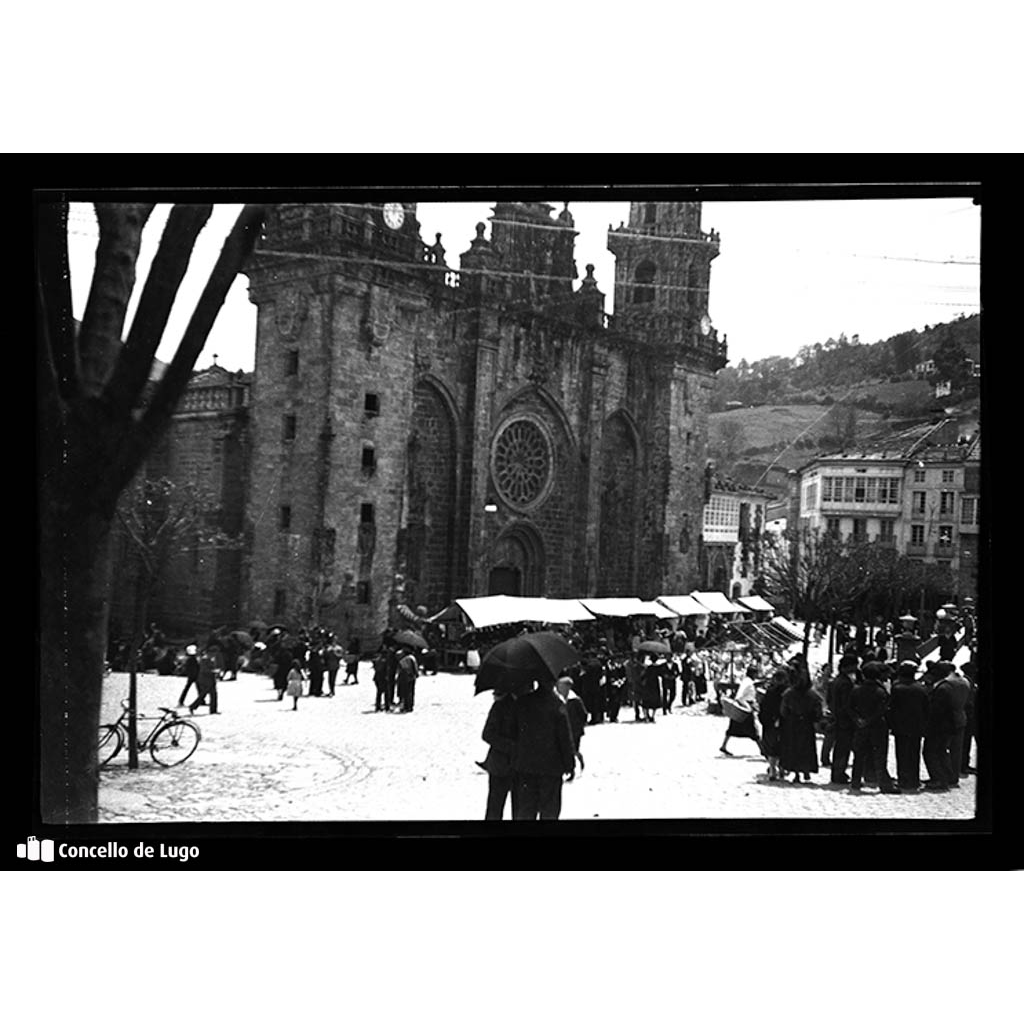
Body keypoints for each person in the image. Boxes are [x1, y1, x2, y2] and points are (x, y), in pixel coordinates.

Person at [512, 678, 577, 820]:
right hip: (551, 768)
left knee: (526, 809)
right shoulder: (557, 705)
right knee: (549, 810)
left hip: (526, 766)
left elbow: (513, 732)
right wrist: (570, 764)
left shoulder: (523, 703)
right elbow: (564, 738)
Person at [848, 661, 898, 793]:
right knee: (880, 756)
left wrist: (858, 720)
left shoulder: (856, 690)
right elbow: (883, 710)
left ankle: (855, 782)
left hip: (861, 727)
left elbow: (850, 707)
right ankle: (884, 784)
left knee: (859, 756)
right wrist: (869, 720)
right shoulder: (881, 691)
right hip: (877, 727)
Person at [887, 661, 930, 791]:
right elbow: (926, 708)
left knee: (901, 753)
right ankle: (913, 779)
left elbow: (892, 707)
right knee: (914, 753)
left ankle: (903, 778)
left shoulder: (896, 687)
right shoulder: (921, 688)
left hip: (900, 726)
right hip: (916, 727)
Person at [479, 691, 519, 820]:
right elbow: (487, 734)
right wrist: (511, 746)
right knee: (494, 810)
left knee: (520, 812)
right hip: (500, 766)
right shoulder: (500, 706)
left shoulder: (530, 706)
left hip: (522, 767)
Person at [779, 667, 822, 783]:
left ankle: (797, 773)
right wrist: (815, 719)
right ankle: (806, 770)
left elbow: (783, 711)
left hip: (793, 724)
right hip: (807, 724)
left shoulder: (788, 694)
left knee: (794, 748)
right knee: (807, 748)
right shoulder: (813, 694)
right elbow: (818, 710)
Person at [828, 655, 859, 784]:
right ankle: (839, 774)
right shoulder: (846, 683)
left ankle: (837, 772)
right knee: (843, 748)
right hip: (845, 720)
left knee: (839, 747)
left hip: (837, 717)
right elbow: (847, 703)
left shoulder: (835, 681)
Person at [719, 667, 761, 756]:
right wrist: (747, 706)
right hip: (744, 708)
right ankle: (762, 749)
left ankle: (724, 745)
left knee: (733, 728)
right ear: (753, 674)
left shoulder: (747, 681)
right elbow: (739, 696)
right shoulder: (748, 683)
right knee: (752, 730)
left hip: (744, 706)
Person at [759, 666, 789, 781]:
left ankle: (772, 770)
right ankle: (781, 769)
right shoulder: (787, 691)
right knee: (783, 746)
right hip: (784, 723)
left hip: (771, 723)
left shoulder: (770, 692)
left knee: (772, 747)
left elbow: (764, 708)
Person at [555, 675, 588, 773]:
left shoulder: (575, 700)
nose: (559, 688)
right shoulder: (558, 699)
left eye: (561, 686)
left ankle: (577, 762)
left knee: (573, 750)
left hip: (575, 729)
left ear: (568, 687)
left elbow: (583, 714)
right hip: (563, 729)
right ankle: (571, 769)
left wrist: (579, 725)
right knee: (566, 750)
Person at [189, 649, 219, 715]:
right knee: (204, 695)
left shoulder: (210, 659)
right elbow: (204, 670)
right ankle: (193, 706)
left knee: (213, 695)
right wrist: (213, 671)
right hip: (206, 680)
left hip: (210, 680)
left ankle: (213, 710)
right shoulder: (205, 660)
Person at [639, 656, 663, 724]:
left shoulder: (648, 667)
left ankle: (646, 716)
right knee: (655, 700)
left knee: (646, 701)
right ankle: (652, 716)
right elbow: (661, 674)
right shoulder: (658, 667)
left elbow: (643, 676)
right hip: (655, 684)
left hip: (648, 685)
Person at [396, 647, 419, 713]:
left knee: (404, 692)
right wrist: (416, 674)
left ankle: (405, 706)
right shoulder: (412, 658)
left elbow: (399, 670)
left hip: (404, 677)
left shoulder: (402, 660)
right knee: (411, 692)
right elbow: (415, 667)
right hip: (411, 677)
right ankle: (410, 706)